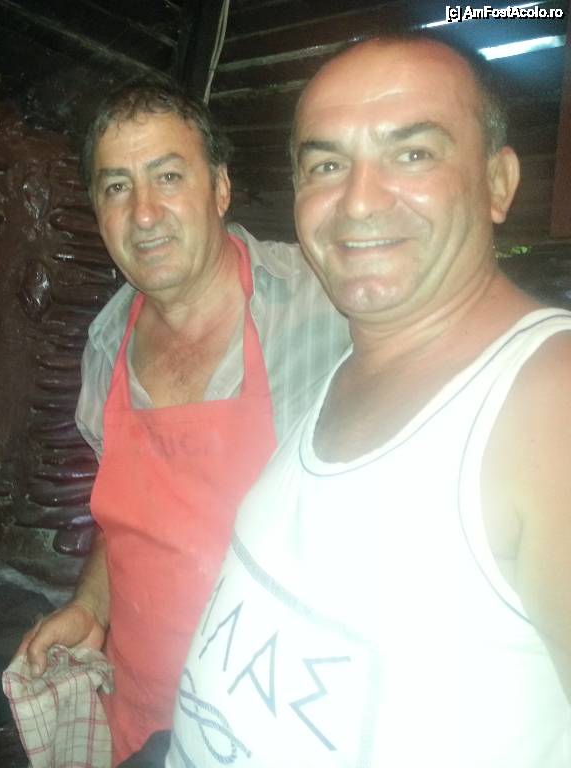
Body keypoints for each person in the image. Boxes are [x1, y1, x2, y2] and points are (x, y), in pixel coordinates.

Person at [169, 35, 571, 767]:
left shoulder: (551, 401)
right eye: (327, 165)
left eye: (412, 154)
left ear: (497, 182)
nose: (357, 200)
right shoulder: (349, 369)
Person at [14, 80, 349, 764]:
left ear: (219, 188)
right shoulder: (105, 342)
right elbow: (130, 520)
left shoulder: (328, 308)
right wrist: (92, 607)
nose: (144, 213)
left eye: (168, 176)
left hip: (280, 737)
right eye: (117, 187)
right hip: (140, 725)